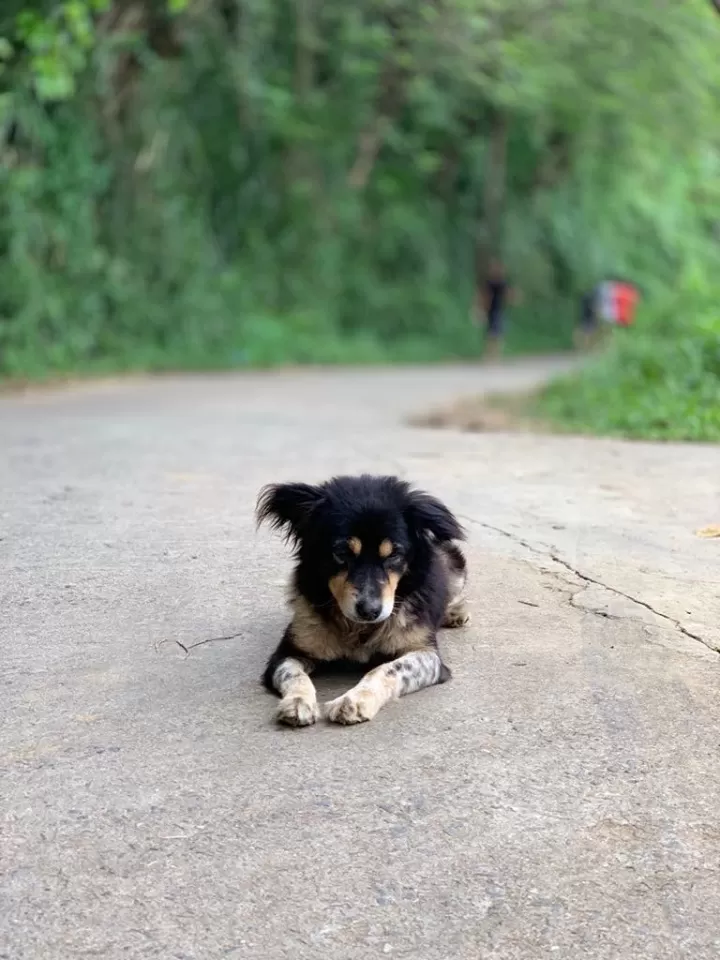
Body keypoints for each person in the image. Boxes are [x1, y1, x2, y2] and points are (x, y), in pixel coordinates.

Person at [476, 258, 515, 359]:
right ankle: (490, 354)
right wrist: (480, 309)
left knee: (497, 333)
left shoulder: (501, 283)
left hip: (498, 310)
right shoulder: (489, 283)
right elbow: (483, 295)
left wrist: (512, 296)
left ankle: (494, 354)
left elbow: (507, 294)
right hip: (491, 311)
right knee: (492, 334)